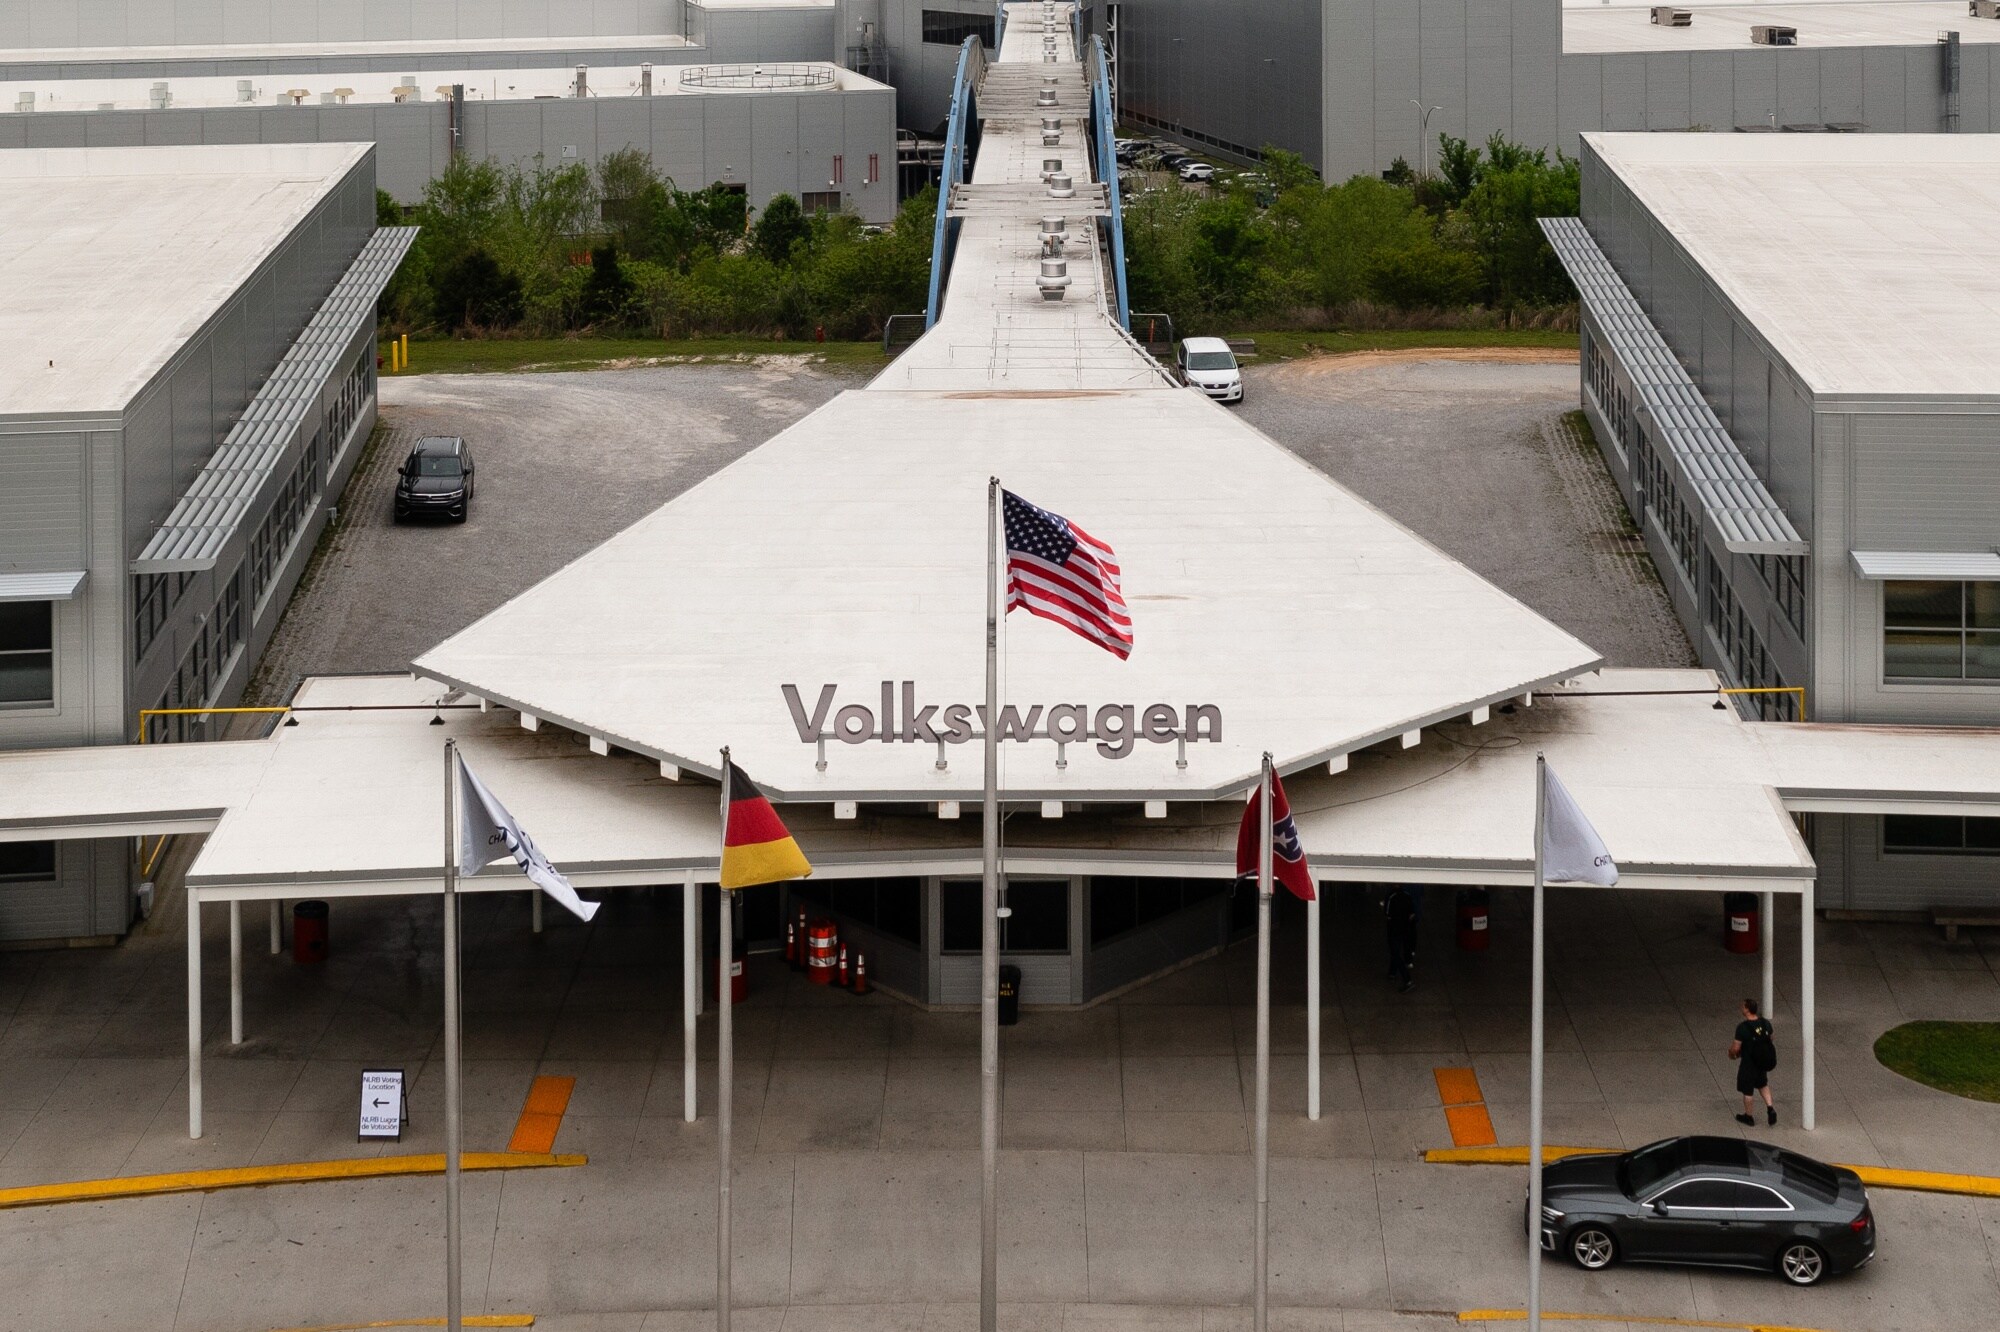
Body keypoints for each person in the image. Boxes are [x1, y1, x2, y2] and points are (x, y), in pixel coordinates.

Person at [1728, 997, 1778, 1126]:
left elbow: (1736, 1048)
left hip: (1749, 1063)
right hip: (1762, 1062)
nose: (1741, 1008)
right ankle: (1770, 1108)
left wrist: (1732, 1054)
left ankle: (1749, 1116)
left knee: (1748, 1090)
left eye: (1743, 1006)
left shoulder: (1742, 1028)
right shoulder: (1765, 1023)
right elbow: (1771, 1037)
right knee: (1762, 1084)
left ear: (1747, 1009)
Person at [1385, 887, 1418, 992]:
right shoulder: (1408, 896)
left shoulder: (1391, 897)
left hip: (1394, 929)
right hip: (1405, 929)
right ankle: (1392, 972)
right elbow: (1412, 914)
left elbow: (1387, 914)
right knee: (1399, 950)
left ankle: (1407, 980)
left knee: (1395, 952)